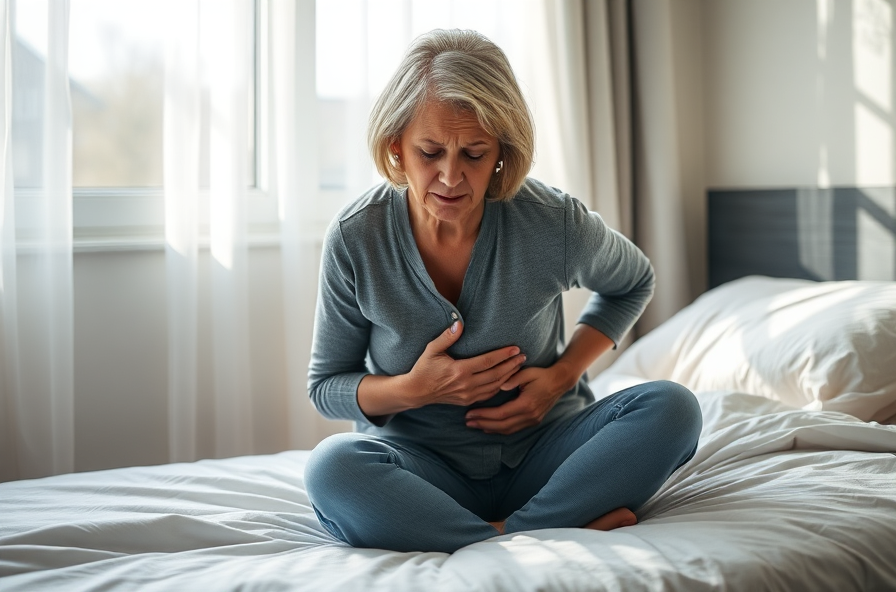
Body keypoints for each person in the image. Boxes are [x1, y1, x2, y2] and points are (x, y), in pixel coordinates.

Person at [304, 29, 702, 554]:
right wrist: (416, 389)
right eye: (430, 152)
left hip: (547, 455)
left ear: (501, 153)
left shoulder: (551, 222)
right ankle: (543, 527)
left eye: (473, 153)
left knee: (674, 407)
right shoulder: (357, 236)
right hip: (425, 473)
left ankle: (497, 532)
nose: (450, 177)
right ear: (396, 144)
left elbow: (633, 282)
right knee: (331, 468)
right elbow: (326, 386)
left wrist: (560, 378)